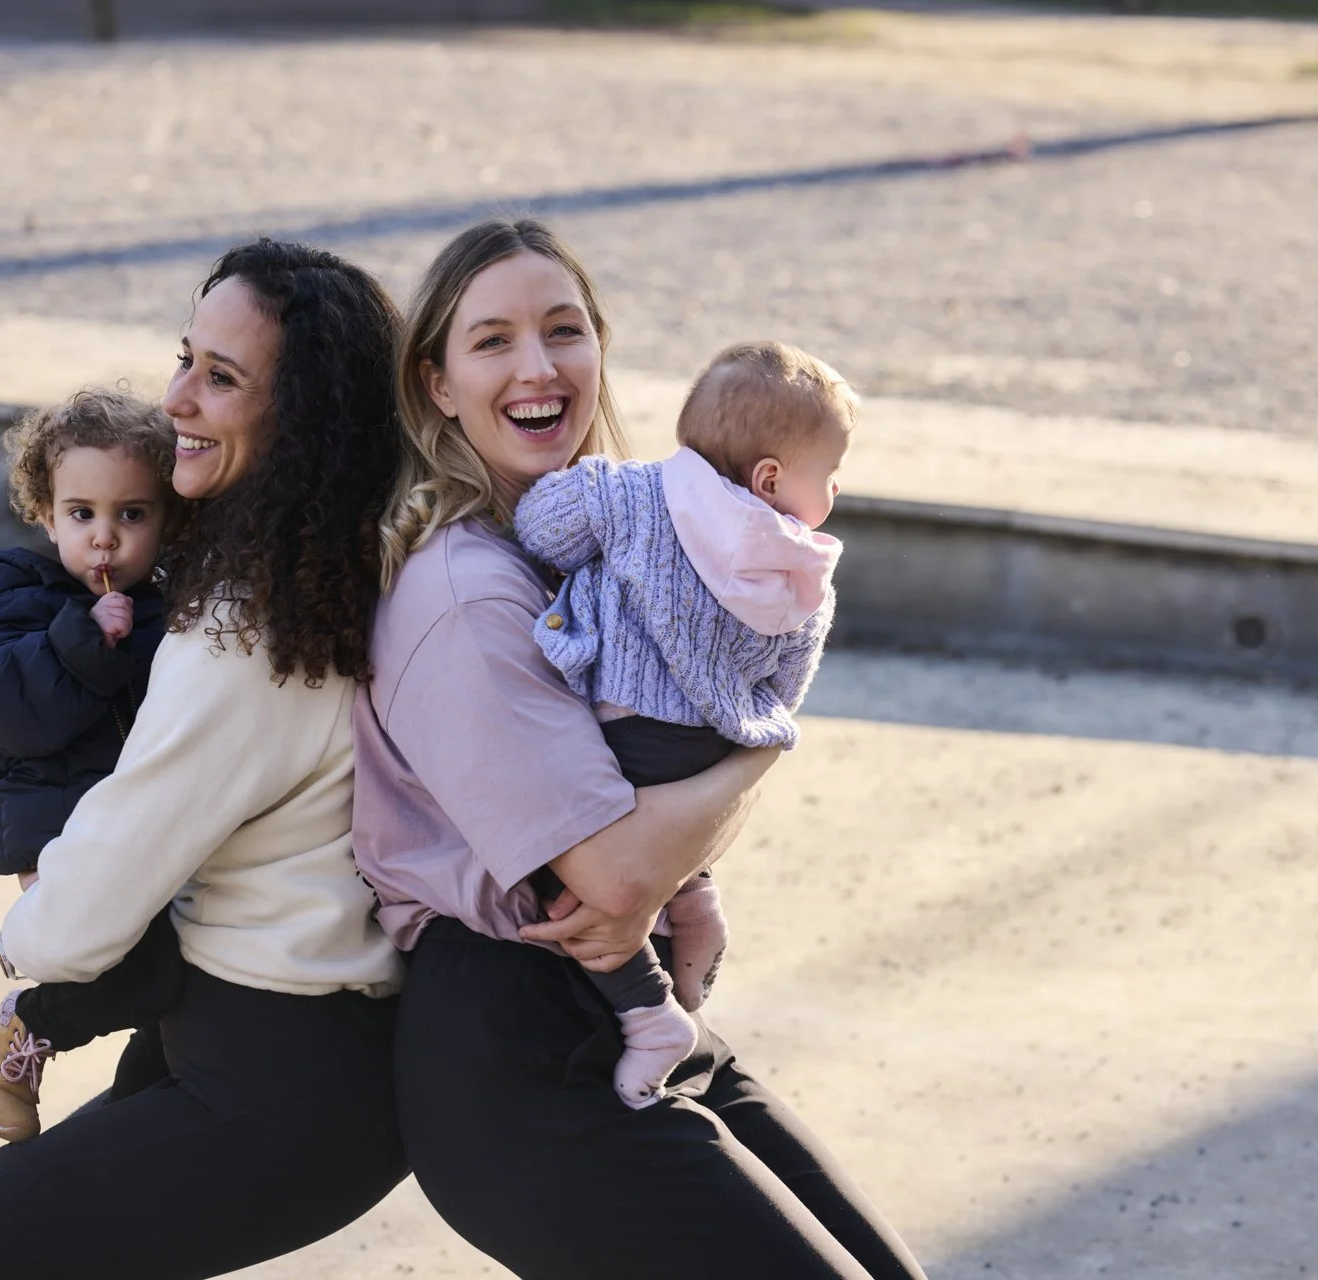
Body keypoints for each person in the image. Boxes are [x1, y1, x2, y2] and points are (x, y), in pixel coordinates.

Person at [353, 218, 927, 1279]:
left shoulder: (609, 544)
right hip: (519, 1068)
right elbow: (613, 870)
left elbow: (639, 794)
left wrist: (691, 874)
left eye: (564, 329)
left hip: (625, 1018)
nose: (538, 365)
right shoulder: (465, 592)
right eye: (492, 341)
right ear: (436, 384)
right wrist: (764, 744)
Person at [0, 239, 409, 1279]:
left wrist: (24, 955)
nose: (177, 398)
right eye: (184, 356)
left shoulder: (252, 629)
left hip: (275, 1075)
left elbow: (98, 892)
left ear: (304, 417)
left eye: (221, 377)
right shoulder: (345, 564)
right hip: (274, 1038)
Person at [512, 338, 857, 1107]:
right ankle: (694, 897)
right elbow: (787, 683)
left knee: (568, 876)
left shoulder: (629, 495)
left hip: (626, 734)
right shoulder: (804, 575)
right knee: (674, 841)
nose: (833, 493)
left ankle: (647, 1014)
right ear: (770, 478)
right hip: (709, 744)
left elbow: (540, 529)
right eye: (829, 476)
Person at [0, 388, 187, 1141]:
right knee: (134, 970)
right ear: (45, 514)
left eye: (132, 515)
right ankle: (13, 1039)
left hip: (131, 829)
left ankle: (143, 1127)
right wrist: (81, 640)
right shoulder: (15, 596)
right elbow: (2, 709)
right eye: (82, 515)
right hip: (53, 825)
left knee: (173, 978)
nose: (105, 539)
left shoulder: (157, 607)